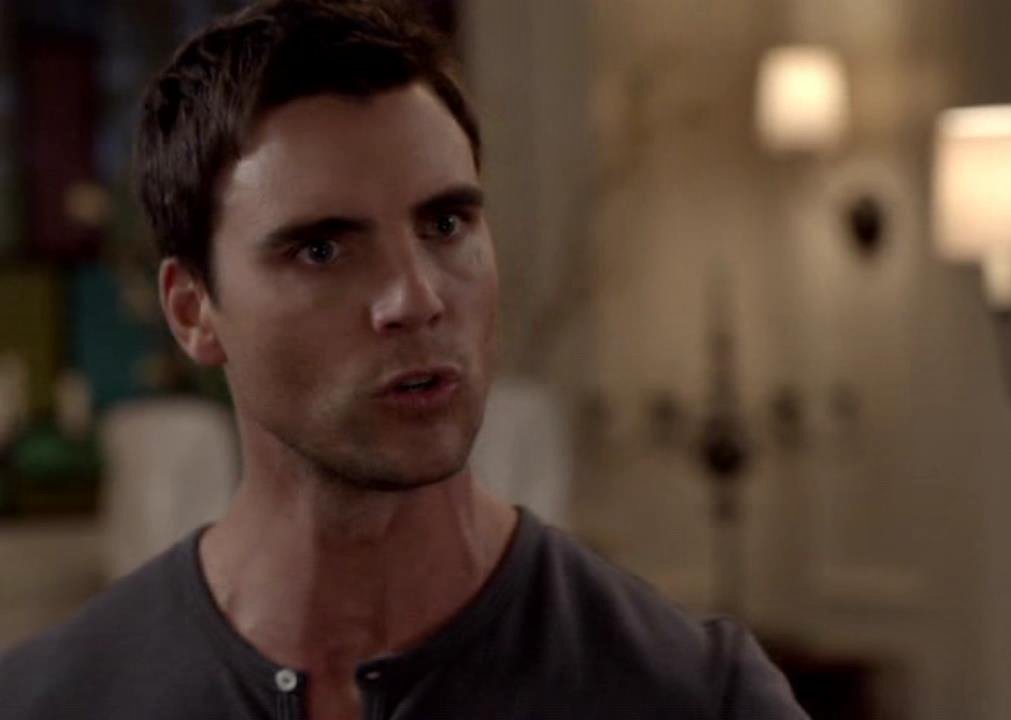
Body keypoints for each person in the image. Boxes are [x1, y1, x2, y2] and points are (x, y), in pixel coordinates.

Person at [0, 2, 809, 718]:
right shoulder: (49, 700)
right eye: (321, 249)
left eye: (447, 225)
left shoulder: (695, 694)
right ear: (193, 312)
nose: (416, 299)